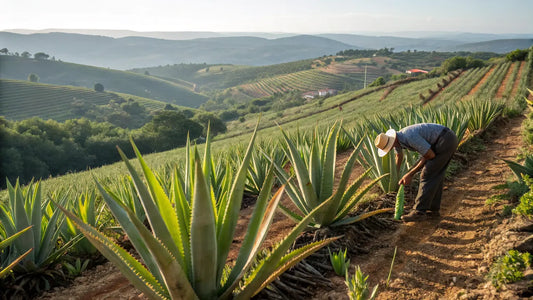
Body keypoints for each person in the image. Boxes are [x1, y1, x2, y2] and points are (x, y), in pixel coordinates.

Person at [374, 123, 458, 222]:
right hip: (445, 139)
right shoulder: (397, 140)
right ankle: (433, 210)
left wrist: (410, 174)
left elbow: (429, 155)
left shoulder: (409, 136)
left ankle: (418, 212)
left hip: (445, 141)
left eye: (389, 146)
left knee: (426, 174)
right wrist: (394, 175)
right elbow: (399, 156)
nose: (391, 148)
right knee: (435, 174)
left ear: (392, 141)